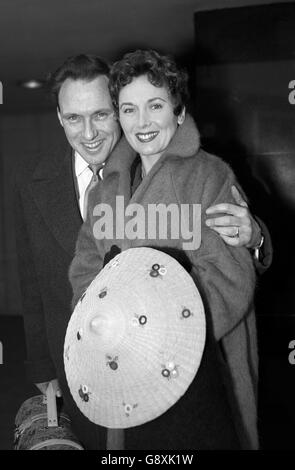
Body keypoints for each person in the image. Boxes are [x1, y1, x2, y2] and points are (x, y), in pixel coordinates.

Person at [14, 53, 269, 450]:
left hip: (193, 373)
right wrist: (106, 333)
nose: (142, 121)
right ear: (60, 118)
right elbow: (73, 271)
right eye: (131, 109)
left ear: (179, 112)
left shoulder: (209, 174)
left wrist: (155, 340)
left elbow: (229, 276)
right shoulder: (106, 188)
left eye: (155, 106)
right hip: (109, 368)